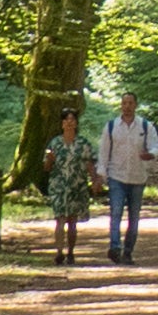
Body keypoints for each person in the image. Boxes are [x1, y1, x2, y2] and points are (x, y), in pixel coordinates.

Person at [98, 95, 158, 262]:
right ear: (120, 105)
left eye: (130, 103)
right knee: (116, 213)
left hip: (137, 177)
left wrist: (151, 154)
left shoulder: (145, 126)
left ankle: (128, 251)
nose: (127, 106)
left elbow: (156, 145)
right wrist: (101, 175)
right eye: (124, 103)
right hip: (116, 176)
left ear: (135, 105)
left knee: (134, 217)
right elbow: (103, 152)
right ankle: (115, 247)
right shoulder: (112, 126)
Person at [39, 107, 102, 264]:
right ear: (62, 124)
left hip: (77, 185)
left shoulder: (83, 143)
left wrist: (95, 180)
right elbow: (46, 168)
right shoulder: (55, 143)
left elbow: (89, 163)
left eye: (72, 120)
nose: (69, 123)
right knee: (60, 219)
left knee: (72, 221)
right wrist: (49, 159)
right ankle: (59, 252)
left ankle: (71, 252)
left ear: (76, 123)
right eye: (66, 120)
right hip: (59, 186)